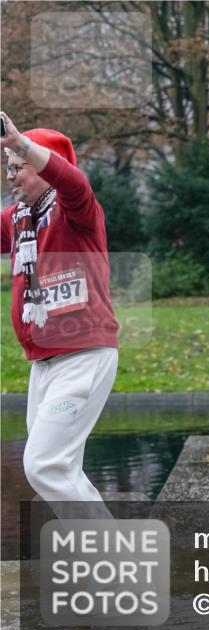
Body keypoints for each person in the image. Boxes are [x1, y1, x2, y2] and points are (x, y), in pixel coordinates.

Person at [0, 112, 119, 520]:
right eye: (7, 169)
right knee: (60, 468)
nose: (10, 177)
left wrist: (19, 141)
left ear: (44, 168)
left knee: (43, 465)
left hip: (83, 356)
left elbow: (73, 181)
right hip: (44, 364)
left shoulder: (77, 209)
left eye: (18, 168)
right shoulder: (19, 218)